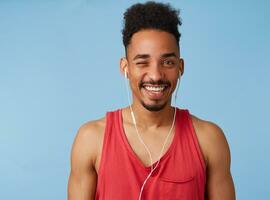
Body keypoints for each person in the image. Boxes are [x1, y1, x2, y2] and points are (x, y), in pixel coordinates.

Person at [68, 1, 235, 200]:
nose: (155, 75)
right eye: (142, 62)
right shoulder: (92, 139)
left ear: (180, 67)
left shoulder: (209, 139)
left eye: (167, 62)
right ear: (125, 68)